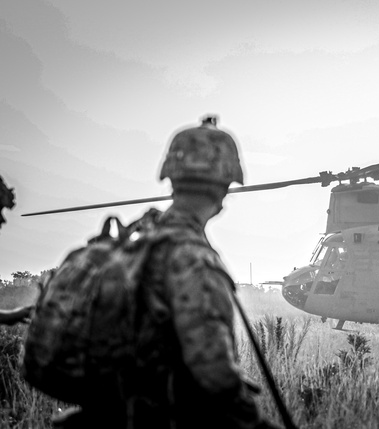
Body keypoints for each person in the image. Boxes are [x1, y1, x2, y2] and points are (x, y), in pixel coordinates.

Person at [54, 116, 275, 429]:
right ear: (225, 184)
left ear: (171, 177)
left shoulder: (137, 243)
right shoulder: (191, 258)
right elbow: (214, 373)